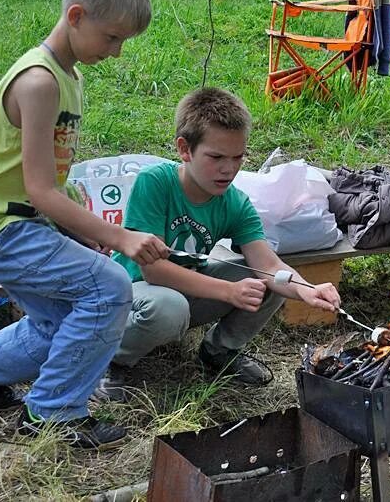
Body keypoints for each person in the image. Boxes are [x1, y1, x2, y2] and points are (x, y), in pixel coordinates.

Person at [0, 0, 170, 450]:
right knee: (109, 288)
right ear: (76, 16)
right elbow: (40, 189)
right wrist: (118, 237)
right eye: (112, 37)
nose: (118, 52)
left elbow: (50, 182)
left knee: (61, 320)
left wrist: (80, 230)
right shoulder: (38, 82)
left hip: (9, 220)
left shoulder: (69, 76)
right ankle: (55, 413)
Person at [92, 87, 341, 402]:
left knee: (271, 284)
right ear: (185, 149)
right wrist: (228, 291)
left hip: (186, 293)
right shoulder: (154, 183)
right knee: (169, 307)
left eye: (238, 157)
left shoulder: (234, 202)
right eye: (216, 157)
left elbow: (269, 265)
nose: (229, 169)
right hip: (133, 292)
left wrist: (307, 289)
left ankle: (219, 351)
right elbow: (153, 271)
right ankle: (112, 359)